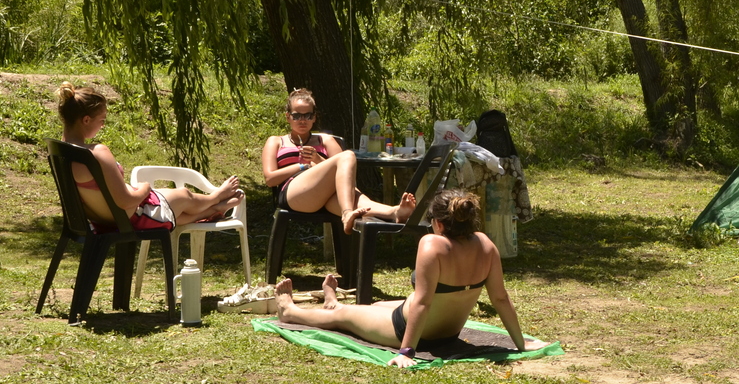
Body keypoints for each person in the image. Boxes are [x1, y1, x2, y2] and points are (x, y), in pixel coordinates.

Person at [276, 188, 547, 367]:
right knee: (379, 306)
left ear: (438, 223)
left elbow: (423, 303)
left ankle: (291, 311)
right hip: (448, 333)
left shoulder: (433, 244)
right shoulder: (486, 244)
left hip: (409, 331)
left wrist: (406, 351)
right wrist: (520, 343)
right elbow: (500, 298)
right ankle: (333, 303)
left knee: (343, 316)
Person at [56, 82, 244, 230]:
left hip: (103, 220)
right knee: (183, 195)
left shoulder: (60, 152)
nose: (103, 125)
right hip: (132, 217)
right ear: (86, 120)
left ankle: (214, 209)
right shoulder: (96, 152)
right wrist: (144, 189)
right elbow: (125, 201)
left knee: (174, 207)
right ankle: (215, 198)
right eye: (101, 120)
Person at [261, 88, 415, 234]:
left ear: (314, 117)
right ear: (288, 117)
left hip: (327, 196)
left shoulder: (325, 140)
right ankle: (347, 213)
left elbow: (345, 173)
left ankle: (394, 212)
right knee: (347, 155)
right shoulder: (276, 141)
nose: (302, 120)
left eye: (308, 115)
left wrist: (317, 159)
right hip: (294, 195)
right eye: (296, 116)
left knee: (348, 186)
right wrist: (302, 166)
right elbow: (270, 179)